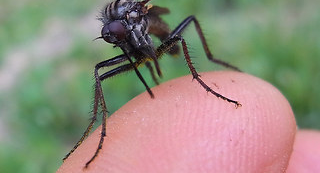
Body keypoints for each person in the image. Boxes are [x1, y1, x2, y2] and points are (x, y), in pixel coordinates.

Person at [57, 71, 320, 172]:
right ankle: (97, 127)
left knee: (182, 31)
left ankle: (205, 81)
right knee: (101, 74)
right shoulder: (123, 34)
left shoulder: (134, 21)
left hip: (155, 36)